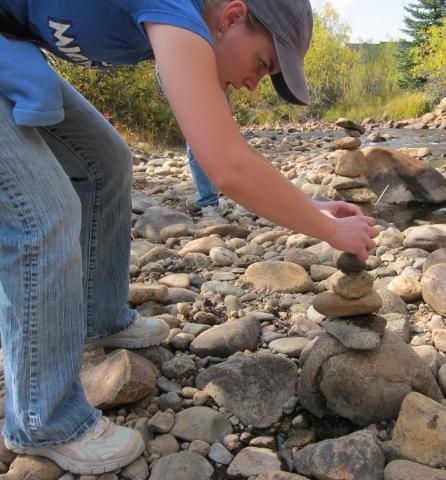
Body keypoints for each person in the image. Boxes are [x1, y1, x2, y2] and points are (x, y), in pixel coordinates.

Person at [0, 0, 377, 475]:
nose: (252, 83)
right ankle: (43, 419)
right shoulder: (175, 9)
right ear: (234, 17)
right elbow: (229, 170)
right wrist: (329, 231)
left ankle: (101, 317)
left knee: (105, 161)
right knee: (42, 214)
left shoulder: (190, 29)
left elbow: (222, 144)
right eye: (263, 64)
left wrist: (311, 209)